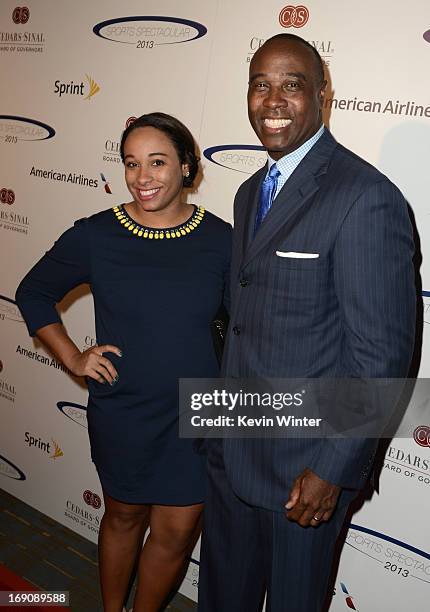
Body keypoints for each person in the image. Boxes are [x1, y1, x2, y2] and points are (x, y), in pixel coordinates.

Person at [198, 34, 416, 612]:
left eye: (291, 85)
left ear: (324, 95)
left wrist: (332, 468)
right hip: (232, 452)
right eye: (260, 85)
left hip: (304, 470)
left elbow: (381, 358)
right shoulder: (250, 193)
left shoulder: (365, 196)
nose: (273, 100)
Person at [15, 112, 231, 612]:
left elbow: (246, 325)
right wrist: (72, 356)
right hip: (126, 410)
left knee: (177, 533)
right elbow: (34, 292)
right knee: (124, 517)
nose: (142, 177)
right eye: (132, 163)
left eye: (157, 162)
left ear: (186, 166)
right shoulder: (97, 234)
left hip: (197, 413)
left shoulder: (223, 240)